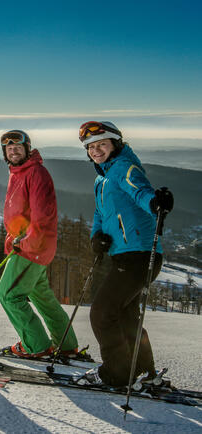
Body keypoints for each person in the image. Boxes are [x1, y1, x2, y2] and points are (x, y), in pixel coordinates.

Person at [78, 121, 174, 387]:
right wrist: (97, 235)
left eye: (102, 144)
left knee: (101, 313)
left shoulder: (123, 168)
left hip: (139, 254)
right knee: (125, 315)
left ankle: (117, 373)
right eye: (91, 147)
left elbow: (139, 190)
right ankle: (144, 371)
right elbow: (100, 212)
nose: (96, 150)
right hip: (125, 255)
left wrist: (155, 203)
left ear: (115, 144)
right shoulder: (102, 177)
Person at [0, 129, 78, 358]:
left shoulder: (36, 173)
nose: (13, 150)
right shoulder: (18, 172)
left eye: (18, 147)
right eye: (9, 148)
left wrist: (24, 242)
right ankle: (66, 344)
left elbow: (42, 216)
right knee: (40, 295)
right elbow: (19, 214)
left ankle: (36, 346)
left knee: (8, 294)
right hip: (30, 245)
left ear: (27, 148)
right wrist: (12, 239)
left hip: (31, 248)